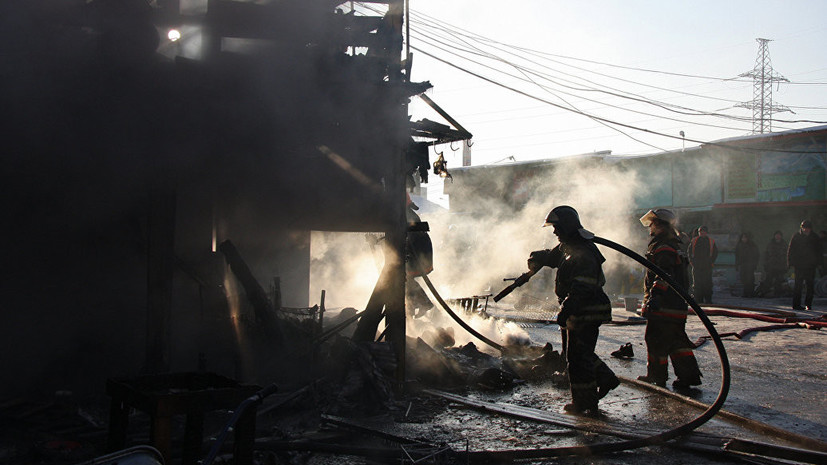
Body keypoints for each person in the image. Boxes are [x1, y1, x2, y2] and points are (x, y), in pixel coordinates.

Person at [526, 206, 618, 415]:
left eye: (557, 227)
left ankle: (585, 403)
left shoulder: (584, 253)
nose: (554, 232)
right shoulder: (569, 246)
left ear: (567, 226)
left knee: (577, 359)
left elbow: (582, 288)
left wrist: (566, 310)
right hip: (580, 310)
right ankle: (606, 379)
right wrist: (536, 257)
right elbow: (552, 256)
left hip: (586, 310)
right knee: (578, 354)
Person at [637, 209, 703, 389]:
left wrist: (655, 296)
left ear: (659, 225)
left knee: (655, 338)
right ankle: (688, 376)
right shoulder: (674, 245)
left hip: (664, 306)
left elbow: (664, 274)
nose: (650, 227)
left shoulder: (663, 247)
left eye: (652, 223)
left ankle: (656, 376)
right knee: (677, 342)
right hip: (676, 305)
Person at [787, 220, 822, 310]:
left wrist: (819, 263)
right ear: (801, 228)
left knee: (810, 286)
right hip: (799, 265)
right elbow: (791, 250)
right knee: (798, 285)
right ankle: (796, 304)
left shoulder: (815, 237)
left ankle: (808, 304)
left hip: (811, 265)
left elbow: (819, 251)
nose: (806, 230)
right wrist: (790, 262)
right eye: (804, 228)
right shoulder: (796, 236)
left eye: (807, 228)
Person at [689, 225, 718, 304]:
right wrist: (692, 262)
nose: (702, 233)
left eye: (703, 231)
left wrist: (711, 262)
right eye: (700, 231)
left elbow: (715, 252)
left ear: (706, 232)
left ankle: (708, 299)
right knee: (697, 284)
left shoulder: (711, 241)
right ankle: (698, 299)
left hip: (707, 266)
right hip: (697, 266)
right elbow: (689, 251)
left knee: (707, 283)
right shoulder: (694, 241)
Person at [760, 230, 788, 297]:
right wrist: (765, 264)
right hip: (771, 265)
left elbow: (787, 255)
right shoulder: (770, 244)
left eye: (779, 235)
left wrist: (786, 265)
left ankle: (778, 293)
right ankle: (765, 292)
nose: (778, 236)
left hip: (780, 266)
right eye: (776, 235)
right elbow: (766, 254)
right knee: (768, 280)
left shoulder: (784, 244)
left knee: (779, 281)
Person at [734, 232, 760, 297]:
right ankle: (746, 293)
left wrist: (754, 264)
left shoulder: (752, 245)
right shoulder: (739, 245)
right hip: (742, 264)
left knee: (750, 279)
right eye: (743, 238)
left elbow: (756, 255)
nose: (744, 239)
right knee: (743, 279)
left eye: (745, 237)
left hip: (750, 265)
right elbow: (737, 255)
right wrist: (737, 264)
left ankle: (750, 293)